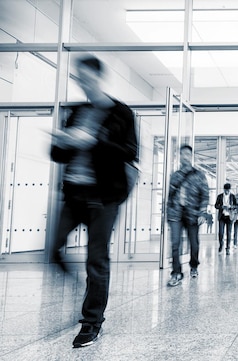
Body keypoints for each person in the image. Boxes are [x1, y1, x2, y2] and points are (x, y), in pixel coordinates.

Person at [50, 55, 138, 348]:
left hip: (104, 197)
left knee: (96, 260)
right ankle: (84, 287)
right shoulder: (76, 112)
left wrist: (93, 142)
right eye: (79, 78)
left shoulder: (121, 113)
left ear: (99, 78)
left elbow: (128, 152)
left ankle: (91, 322)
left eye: (87, 77)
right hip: (74, 193)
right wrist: (61, 142)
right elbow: (57, 154)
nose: (83, 83)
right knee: (53, 248)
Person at [166, 144, 209, 287]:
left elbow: (205, 195)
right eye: (182, 154)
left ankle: (194, 265)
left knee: (194, 244)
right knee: (175, 244)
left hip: (193, 214)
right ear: (179, 157)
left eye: (187, 154)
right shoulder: (175, 175)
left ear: (191, 157)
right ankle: (176, 273)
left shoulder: (199, 175)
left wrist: (202, 212)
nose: (184, 156)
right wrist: (167, 213)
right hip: (176, 213)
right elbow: (170, 196)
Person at [215, 183, 238, 255]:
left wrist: (231, 206)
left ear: (230, 190)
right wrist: (222, 207)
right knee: (221, 233)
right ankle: (221, 245)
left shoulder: (233, 196)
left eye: (228, 190)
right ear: (224, 189)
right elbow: (216, 205)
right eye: (225, 190)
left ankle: (228, 248)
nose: (227, 191)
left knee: (229, 233)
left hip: (229, 217)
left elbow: (237, 206)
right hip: (221, 216)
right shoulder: (219, 196)